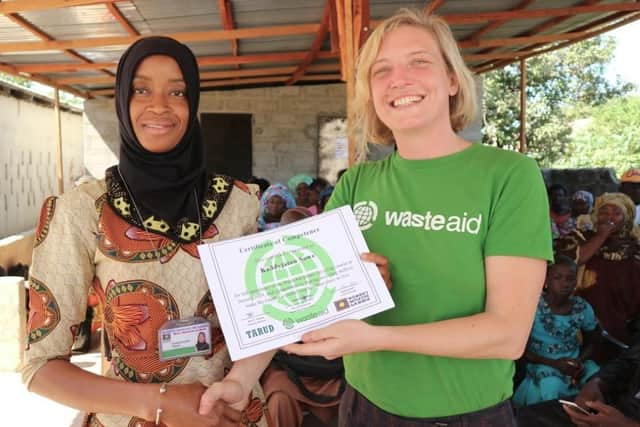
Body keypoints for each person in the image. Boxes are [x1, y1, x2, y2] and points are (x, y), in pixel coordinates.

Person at [285, 8, 552, 427]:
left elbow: (507, 333)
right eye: (380, 70)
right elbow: (315, 293)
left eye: (419, 61)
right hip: (360, 407)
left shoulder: (509, 175)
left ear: (451, 79)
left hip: (464, 416)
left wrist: (377, 337)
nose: (399, 79)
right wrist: (360, 289)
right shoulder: (357, 183)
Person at [21, 36, 272, 427]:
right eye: (141, 90)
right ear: (122, 99)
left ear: (194, 103)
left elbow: (269, 316)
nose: (160, 105)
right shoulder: (82, 212)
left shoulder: (239, 203)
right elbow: (40, 368)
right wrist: (160, 403)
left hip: (232, 414)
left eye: (177, 91)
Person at [260, 206, 343, 427]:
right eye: (288, 233)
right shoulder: (267, 276)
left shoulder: (334, 269)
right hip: (288, 365)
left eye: (302, 233)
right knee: (279, 396)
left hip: (332, 364)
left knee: (358, 391)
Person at [556, 192, 640, 364]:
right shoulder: (579, 237)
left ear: (627, 217)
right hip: (581, 320)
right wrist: (602, 235)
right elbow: (572, 261)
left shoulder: (635, 246)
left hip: (623, 322)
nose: (609, 217)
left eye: (616, 212)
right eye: (604, 211)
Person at [513, 255, 599, 407]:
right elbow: (519, 348)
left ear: (575, 282)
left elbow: (593, 341)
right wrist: (554, 363)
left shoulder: (582, 307)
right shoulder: (532, 306)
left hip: (575, 364)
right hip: (542, 363)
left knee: (597, 380)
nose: (564, 283)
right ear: (546, 280)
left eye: (570, 278)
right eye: (557, 277)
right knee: (550, 385)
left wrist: (579, 361)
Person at [516, 338, 640, 427]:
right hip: (618, 401)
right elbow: (629, 362)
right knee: (524, 419)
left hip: (627, 419)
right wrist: (597, 383)